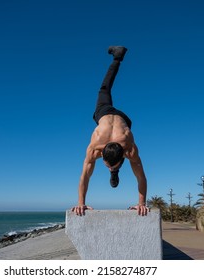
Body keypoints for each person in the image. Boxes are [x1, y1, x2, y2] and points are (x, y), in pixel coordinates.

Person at [71, 46, 148, 216]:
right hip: (112, 115)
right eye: (107, 165)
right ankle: (117, 56)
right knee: (104, 89)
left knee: (105, 89)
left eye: (107, 165)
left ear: (124, 155)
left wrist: (141, 203)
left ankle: (117, 58)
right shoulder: (96, 146)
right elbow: (85, 175)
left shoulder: (130, 149)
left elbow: (141, 176)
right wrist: (80, 203)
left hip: (120, 120)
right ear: (101, 153)